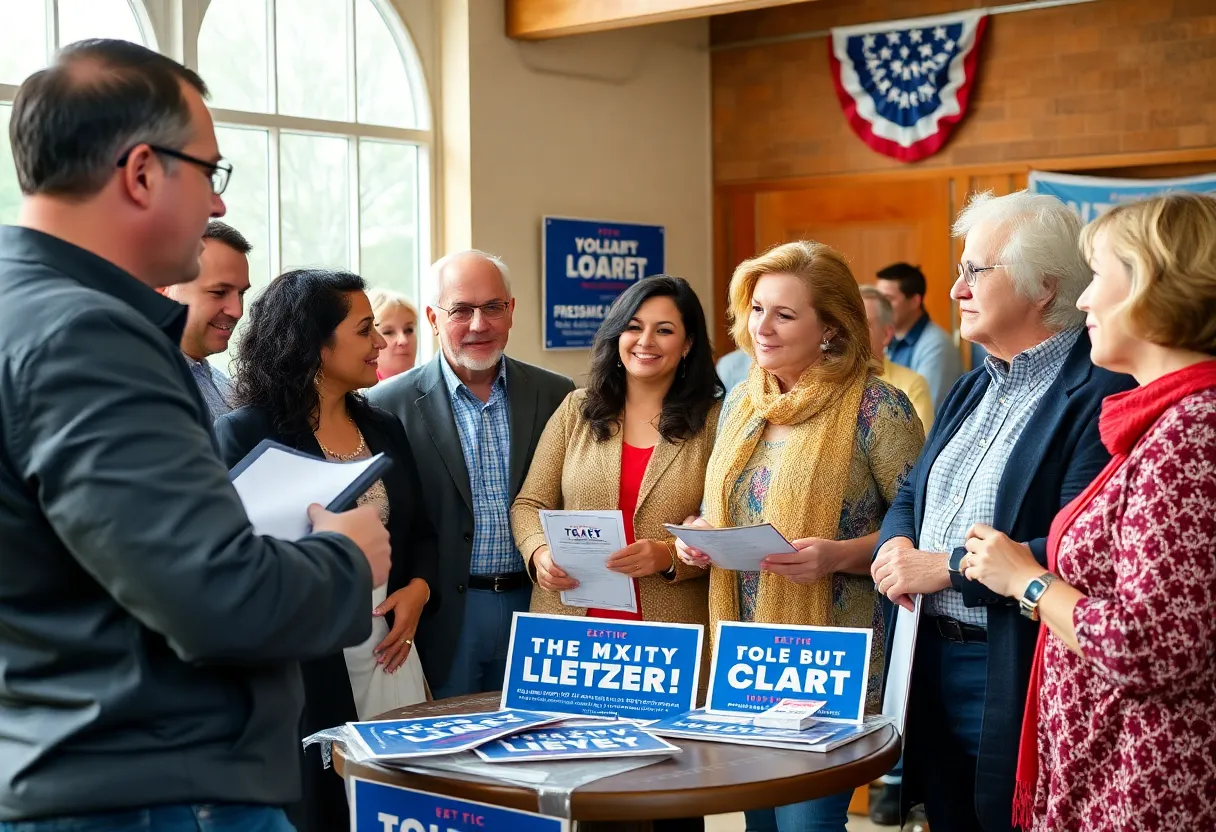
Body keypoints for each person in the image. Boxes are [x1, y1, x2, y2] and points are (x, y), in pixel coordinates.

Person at [0, 39, 387, 829]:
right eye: (211, 172)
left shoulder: (23, 311)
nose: (217, 205)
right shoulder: (88, 337)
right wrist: (346, 558)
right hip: (138, 783)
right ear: (142, 171)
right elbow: (214, 596)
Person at [870, 190, 1135, 832]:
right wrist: (896, 547)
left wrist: (947, 568)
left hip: (1013, 660)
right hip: (928, 655)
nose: (957, 288)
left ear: (1043, 286)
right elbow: (911, 492)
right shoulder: (971, 383)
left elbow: (1077, 542)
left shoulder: (1100, 390)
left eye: (975, 270)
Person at [960, 193, 1216, 832]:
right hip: (1112, 765)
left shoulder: (1190, 433)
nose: (1082, 300)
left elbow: (1152, 647)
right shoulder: (1164, 422)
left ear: (1154, 287)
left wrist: (1027, 579)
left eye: (1098, 275)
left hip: (1145, 782)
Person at [675, 241, 924, 832]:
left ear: (832, 328)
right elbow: (719, 510)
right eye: (757, 308)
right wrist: (698, 535)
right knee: (759, 825)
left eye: (785, 314)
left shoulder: (878, 409)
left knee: (806, 825)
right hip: (742, 657)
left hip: (830, 662)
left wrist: (840, 556)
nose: (762, 327)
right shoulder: (740, 403)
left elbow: (918, 532)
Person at [214, 268, 437, 832]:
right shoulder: (246, 434)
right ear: (315, 342)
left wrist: (419, 590)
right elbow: (234, 560)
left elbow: (421, 533)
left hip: (391, 652)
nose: (383, 344)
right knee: (327, 807)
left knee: (401, 805)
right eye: (366, 331)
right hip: (305, 661)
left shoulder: (383, 425)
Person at [369, 250, 575, 698]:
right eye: (461, 310)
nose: (479, 324)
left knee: (541, 747)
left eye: (493, 307)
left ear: (511, 311)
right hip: (443, 615)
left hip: (538, 604)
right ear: (433, 318)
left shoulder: (557, 395)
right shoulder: (387, 405)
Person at [512, 275, 722, 626]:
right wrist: (539, 552)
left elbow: (723, 527)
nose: (645, 341)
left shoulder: (715, 421)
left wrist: (668, 555)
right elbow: (529, 504)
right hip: (568, 619)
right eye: (633, 327)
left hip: (667, 632)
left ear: (687, 344)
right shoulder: (575, 409)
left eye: (665, 330)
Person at [161, 219, 252, 420]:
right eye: (219, 292)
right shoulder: (136, 387)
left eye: (241, 294)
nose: (237, 311)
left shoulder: (226, 388)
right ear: (164, 286)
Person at [876, 262, 963, 410]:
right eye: (878, 299)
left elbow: (924, 413)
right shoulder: (888, 339)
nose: (880, 307)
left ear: (915, 301)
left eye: (888, 299)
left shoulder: (937, 346)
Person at [861, 285, 934, 431]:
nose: (852, 332)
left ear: (887, 334)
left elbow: (921, 450)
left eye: (863, 324)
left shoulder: (912, 386)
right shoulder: (828, 382)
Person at [369, 287, 418, 380]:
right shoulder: (354, 392)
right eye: (388, 332)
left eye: (409, 330)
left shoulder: (435, 386)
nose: (403, 340)